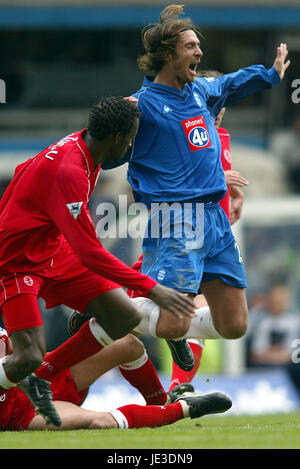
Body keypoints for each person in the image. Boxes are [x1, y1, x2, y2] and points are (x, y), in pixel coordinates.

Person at [102, 4, 290, 381]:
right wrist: (114, 136)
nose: (199, 52)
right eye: (190, 46)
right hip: (176, 217)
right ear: (168, 54)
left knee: (235, 324)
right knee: (171, 324)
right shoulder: (141, 107)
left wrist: (270, 75)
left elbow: (233, 82)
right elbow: (105, 157)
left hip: (215, 220)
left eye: (198, 45)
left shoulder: (200, 91)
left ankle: (153, 321)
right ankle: (103, 310)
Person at [0, 96, 196, 427]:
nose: (132, 145)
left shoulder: (89, 144)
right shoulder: (69, 170)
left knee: (124, 316)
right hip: (18, 262)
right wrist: (154, 290)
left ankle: (48, 372)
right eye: (131, 138)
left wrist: (148, 98)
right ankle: (40, 370)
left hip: (52, 250)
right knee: (29, 356)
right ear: (118, 137)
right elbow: (89, 253)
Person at [0, 326, 232, 431]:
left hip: (40, 379)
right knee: (101, 422)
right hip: (24, 414)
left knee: (128, 345)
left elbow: (19, 351)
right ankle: (184, 408)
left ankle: (160, 400)